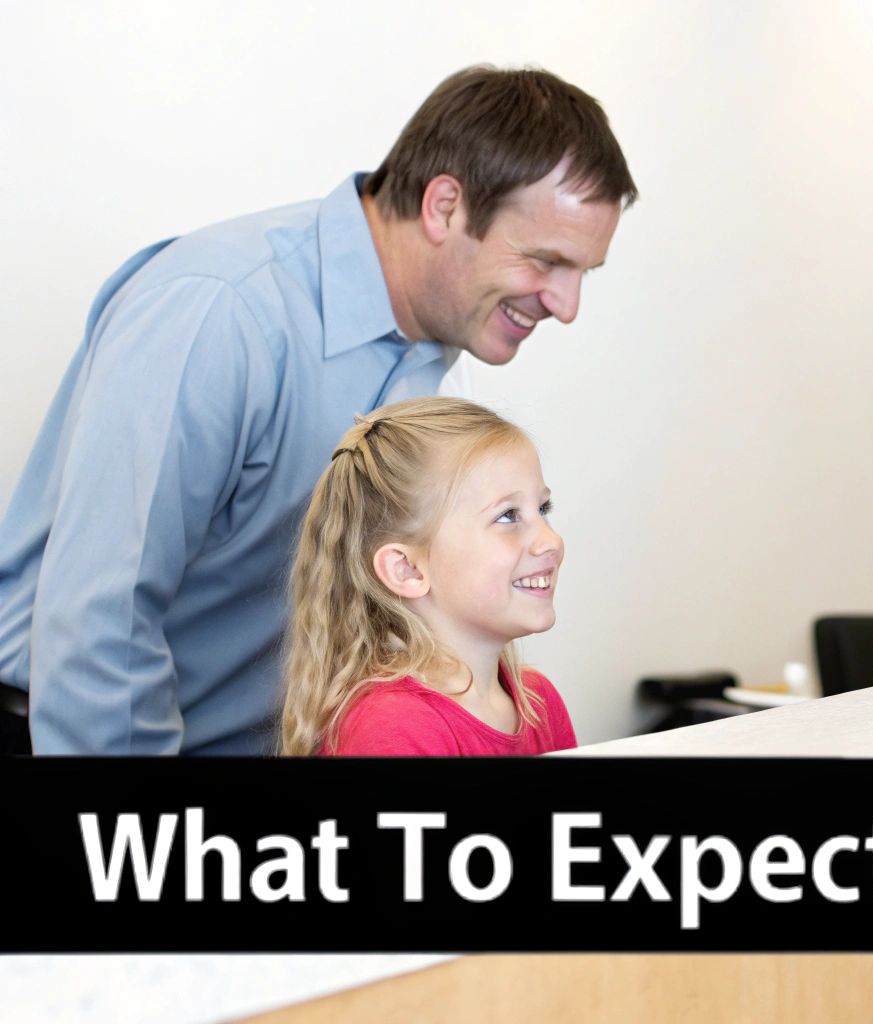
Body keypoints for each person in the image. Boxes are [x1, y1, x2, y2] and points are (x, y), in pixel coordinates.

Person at [0, 66, 633, 755]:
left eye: (581, 274)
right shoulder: (219, 309)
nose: (566, 306)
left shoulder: (429, 354)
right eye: (544, 261)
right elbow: (102, 621)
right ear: (445, 206)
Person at [282, 397, 575, 756]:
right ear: (407, 569)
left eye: (543, 508)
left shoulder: (538, 702)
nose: (551, 540)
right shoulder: (393, 727)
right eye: (507, 515)